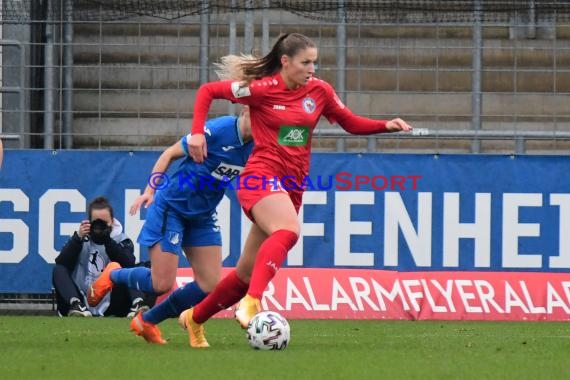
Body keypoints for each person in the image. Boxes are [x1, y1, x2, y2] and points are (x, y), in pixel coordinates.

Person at [178, 32, 413, 348]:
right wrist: (196, 134)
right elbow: (208, 91)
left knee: (245, 274)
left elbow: (349, 121)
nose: (312, 68)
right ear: (285, 62)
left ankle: (194, 319)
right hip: (260, 175)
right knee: (288, 230)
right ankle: (253, 302)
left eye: (314, 62)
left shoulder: (320, 91)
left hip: (292, 185)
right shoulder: (261, 90)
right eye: (306, 62)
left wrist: (385, 125)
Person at [87, 109, 253, 344]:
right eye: (260, 114)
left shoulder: (259, 144)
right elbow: (169, 153)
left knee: (210, 283)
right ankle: (114, 274)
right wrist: (150, 190)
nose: (266, 122)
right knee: (161, 283)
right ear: (246, 110)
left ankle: (146, 321)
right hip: (172, 208)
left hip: (203, 216)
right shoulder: (218, 130)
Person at [53, 196, 150, 317]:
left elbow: (129, 263)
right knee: (58, 269)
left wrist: (108, 241)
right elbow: (61, 262)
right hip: (83, 298)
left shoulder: (122, 239)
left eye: (104, 223)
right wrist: (77, 239)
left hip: (113, 302)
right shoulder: (80, 239)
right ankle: (76, 305)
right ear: (89, 222)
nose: (99, 227)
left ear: (112, 222)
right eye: (96, 223)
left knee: (133, 269)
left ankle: (138, 304)